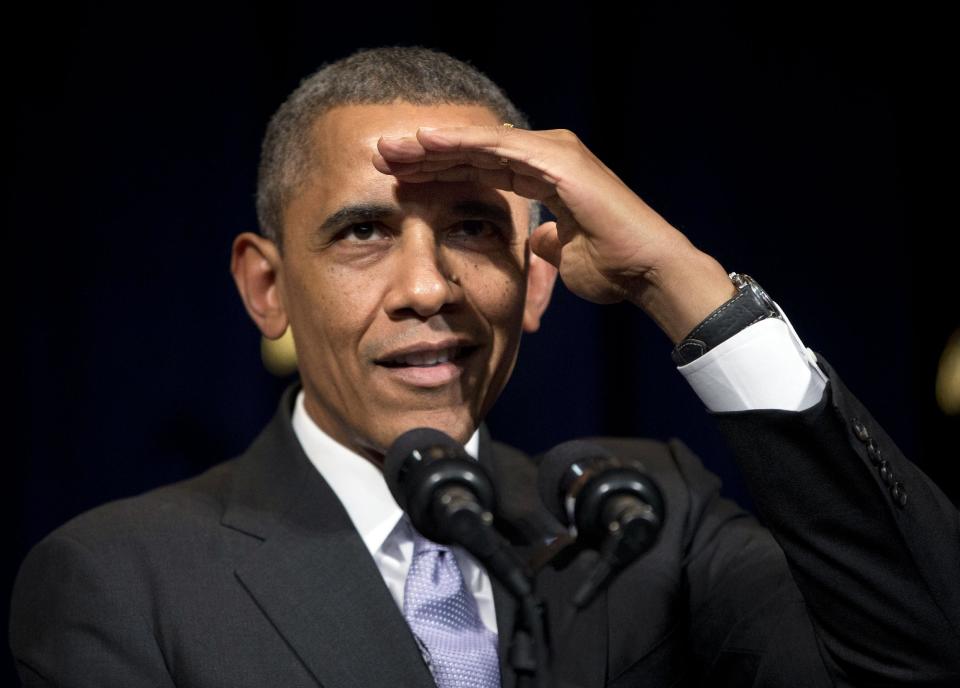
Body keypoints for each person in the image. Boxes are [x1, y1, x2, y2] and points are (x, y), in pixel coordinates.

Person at [9, 46, 959, 688]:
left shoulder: (645, 515)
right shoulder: (119, 577)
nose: (428, 286)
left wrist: (686, 284)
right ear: (268, 289)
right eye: (364, 232)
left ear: (534, 279)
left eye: (470, 227)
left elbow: (918, 649)